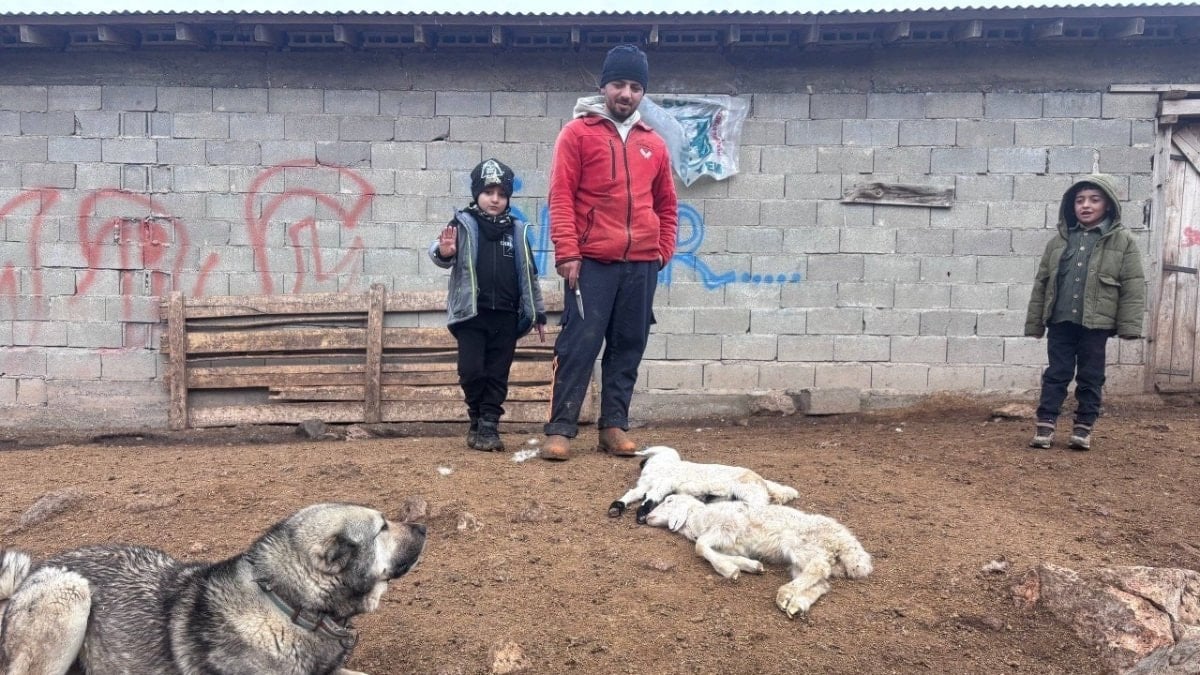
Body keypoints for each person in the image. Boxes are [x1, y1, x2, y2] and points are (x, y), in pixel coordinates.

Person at [541, 43, 679, 461]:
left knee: (628, 344)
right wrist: (567, 251)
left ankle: (614, 427)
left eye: (636, 87)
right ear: (604, 86)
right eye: (619, 84)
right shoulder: (577, 133)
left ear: (643, 93)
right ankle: (560, 429)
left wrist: (662, 251)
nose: (626, 94)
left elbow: (667, 205)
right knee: (579, 344)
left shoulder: (654, 144)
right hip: (592, 262)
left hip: (641, 264)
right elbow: (561, 196)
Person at [429, 158, 546, 452]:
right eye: (488, 192)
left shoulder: (516, 230)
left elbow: (529, 273)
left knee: (497, 373)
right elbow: (439, 252)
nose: (495, 199)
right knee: (471, 371)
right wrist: (445, 252)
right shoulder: (463, 224)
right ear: (477, 194)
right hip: (471, 314)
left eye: (501, 194)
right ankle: (476, 416)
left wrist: (538, 312)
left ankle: (489, 426)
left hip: (506, 316)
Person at [1024, 174, 1145, 451]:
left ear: (1108, 204)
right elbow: (1042, 283)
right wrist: (1035, 324)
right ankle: (1045, 424)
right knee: (1057, 372)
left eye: (1094, 199)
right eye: (1079, 200)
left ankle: (1083, 427)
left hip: (1096, 323)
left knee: (1091, 375)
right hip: (1061, 320)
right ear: (1071, 205)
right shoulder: (1058, 242)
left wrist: (1130, 326)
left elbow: (1133, 285)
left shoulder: (1123, 241)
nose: (1086, 205)